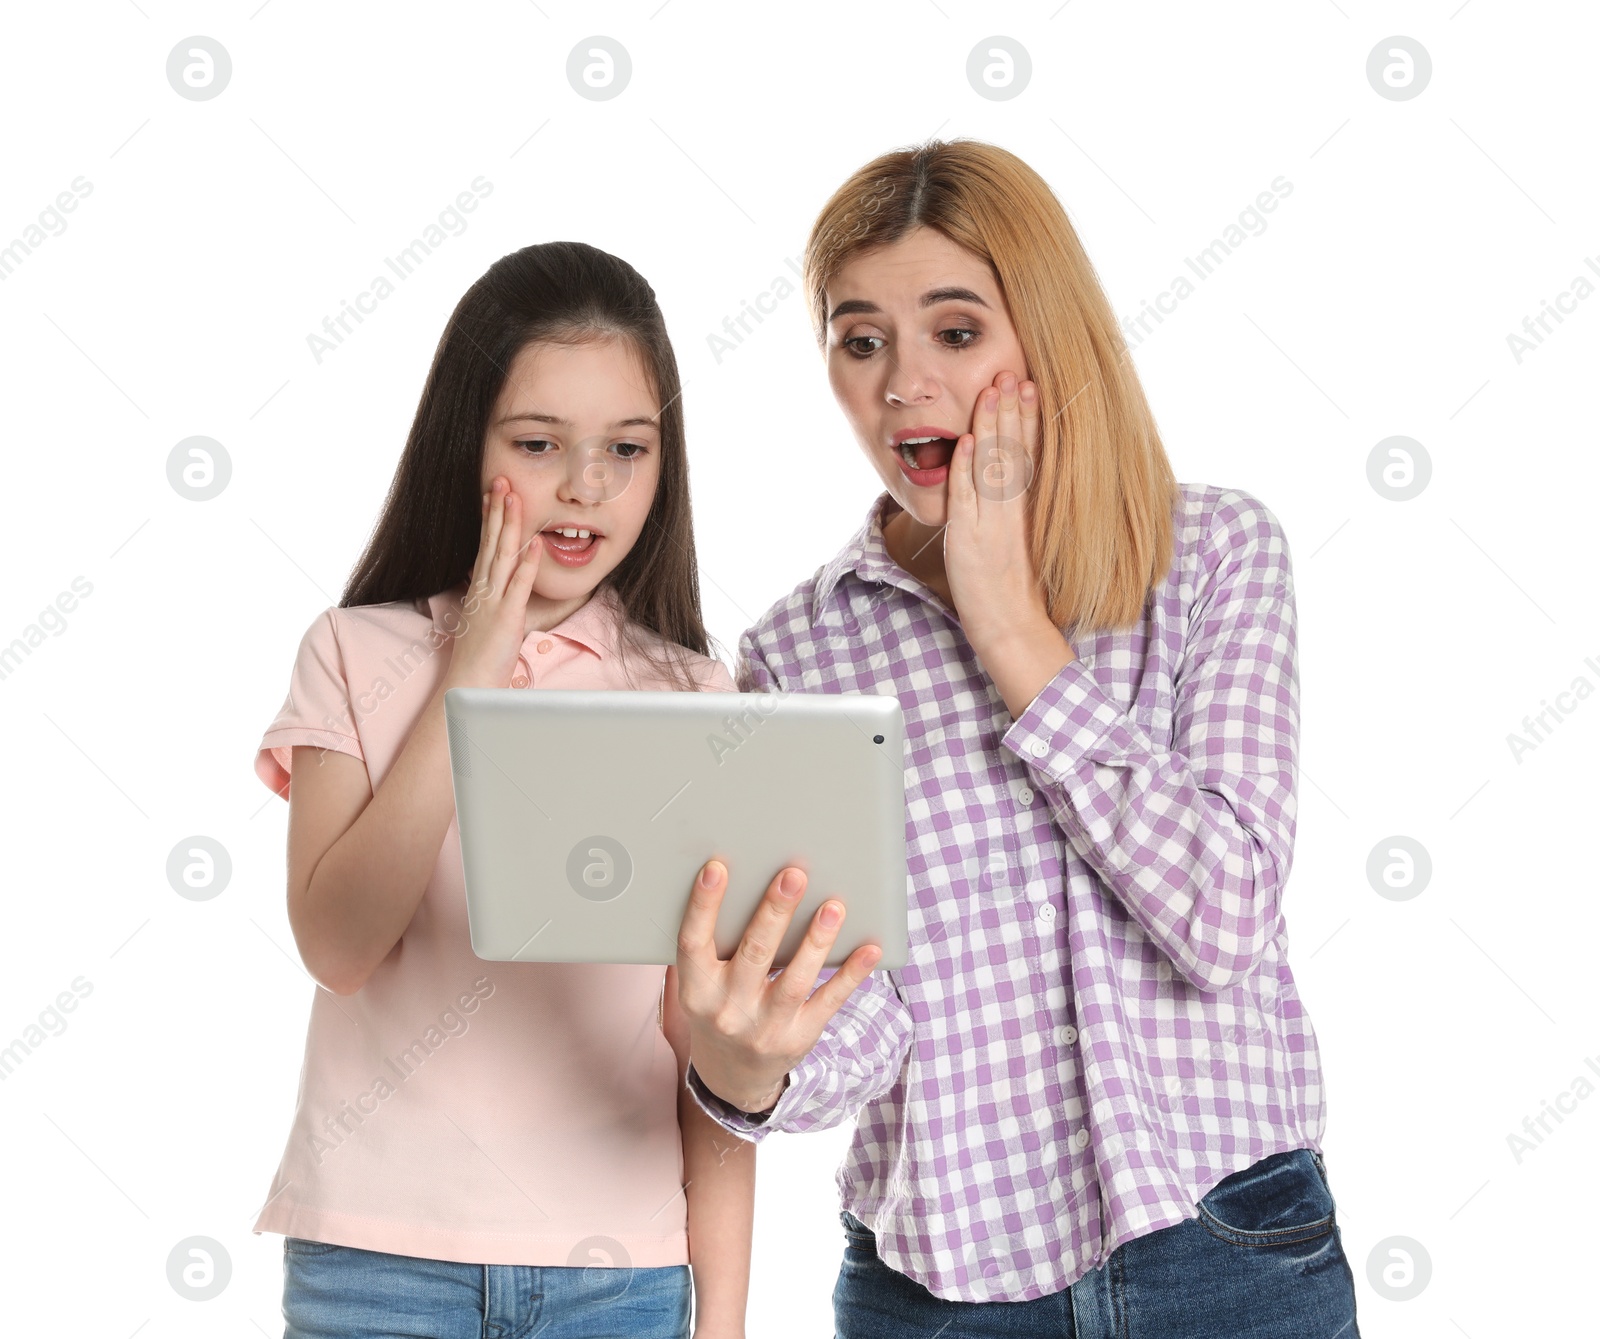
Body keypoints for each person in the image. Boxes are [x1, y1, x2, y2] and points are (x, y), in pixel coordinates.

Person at [672, 140, 1361, 1337]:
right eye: (859, 339)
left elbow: (1222, 915)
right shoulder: (801, 651)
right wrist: (752, 1072)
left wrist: (1006, 622)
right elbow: (865, 1015)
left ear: (1046, 342)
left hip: (1227, 1252)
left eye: (954, 331)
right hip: (938, 1289)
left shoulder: (1214, 556)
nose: (900, 388)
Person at [252, 241, 752, 1339]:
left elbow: (705, 1055)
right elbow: (338, 944)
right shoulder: (355, 653)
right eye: (538, 444)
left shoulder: (698, 697)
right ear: (465, 442)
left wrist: (723, 1319)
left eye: (626, 447)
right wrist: (468, 673)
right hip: (379, 1263)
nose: (584, 486)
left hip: (620, 1275)